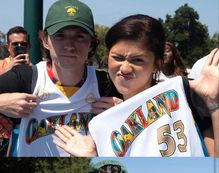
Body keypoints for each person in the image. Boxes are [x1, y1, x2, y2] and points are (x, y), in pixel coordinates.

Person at [54, 15, 219, 157]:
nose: (125, 68)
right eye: (117, 58)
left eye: (137, 60)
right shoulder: (103, 118)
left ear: (157, 64)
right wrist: (92, 156)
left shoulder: (186, 97)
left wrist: (213, 104)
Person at [0, 0, 118, 157]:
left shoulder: (104, 83)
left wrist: (123, 111)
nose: (69, 45)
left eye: (80, 36)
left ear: (91, 43)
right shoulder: (26, 77)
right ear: (45, 41)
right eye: (60, 36)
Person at [0, 26, 31, 157]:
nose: (19, 47)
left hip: (26, 131)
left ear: (29, 47)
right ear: (8, 46)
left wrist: (29, 69)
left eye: (23, 44)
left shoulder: (36, 70)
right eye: (15, 44)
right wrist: (9, 71)